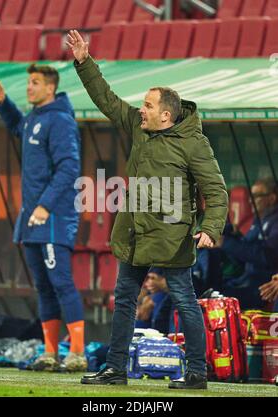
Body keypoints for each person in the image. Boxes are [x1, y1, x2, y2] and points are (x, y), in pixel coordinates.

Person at [66, 30, 228, 389]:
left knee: (185, 300)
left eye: (148, 105)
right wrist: (84, 62)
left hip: (173, 235)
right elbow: (107, 100)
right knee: (124, 298)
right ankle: (116, 369)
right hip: (136, 232)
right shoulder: (140, 128)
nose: (141, 109)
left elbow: (217, 190)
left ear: (166, 115)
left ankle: (197, 373)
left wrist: (210, 228)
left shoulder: (193, 144)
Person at [0, 64, 87, 372]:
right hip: (32, 219)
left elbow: (70, 167)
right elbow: (21, 129)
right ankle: (49, 352)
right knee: (43, 287)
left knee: (62, 283)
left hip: (54, 217)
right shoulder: (36, 118)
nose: (29, 87)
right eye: (28, 82)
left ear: (50, 88)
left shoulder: (60, 121)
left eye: (35, 83)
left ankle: (78, 353)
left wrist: (45, 206)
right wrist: (5, 104)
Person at [218, 178, 278, 310]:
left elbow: (267, 257)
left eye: (256, 196)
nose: (251, 200)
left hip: (262, 286)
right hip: (243, 281)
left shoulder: (275, 221)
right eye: (250, 196)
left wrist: (226, 243)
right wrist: (227, 240)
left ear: (272, 198)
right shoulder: (258, 221)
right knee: (209, 293)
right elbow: (243, 256)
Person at [135, 267, 173, 334]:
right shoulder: (145, 296)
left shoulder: (163, 297)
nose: (149, 282)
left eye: (153, 278)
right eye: (148, 278)